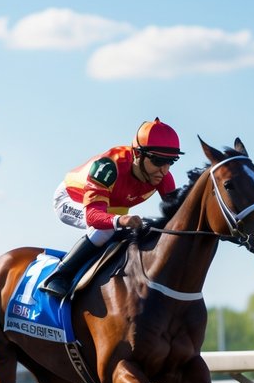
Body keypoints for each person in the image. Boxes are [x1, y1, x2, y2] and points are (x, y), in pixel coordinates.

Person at [39, 118, 183, 299]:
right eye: (158, 160)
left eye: (171, 161)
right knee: (106, 230)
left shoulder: (163, 176)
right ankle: (59, 276)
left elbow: (179, 216)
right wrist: (120, 220)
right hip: (72, 199)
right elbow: (93, 216)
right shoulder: (108, 167)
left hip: (110, 206)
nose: (164, 169)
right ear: (138, 154)